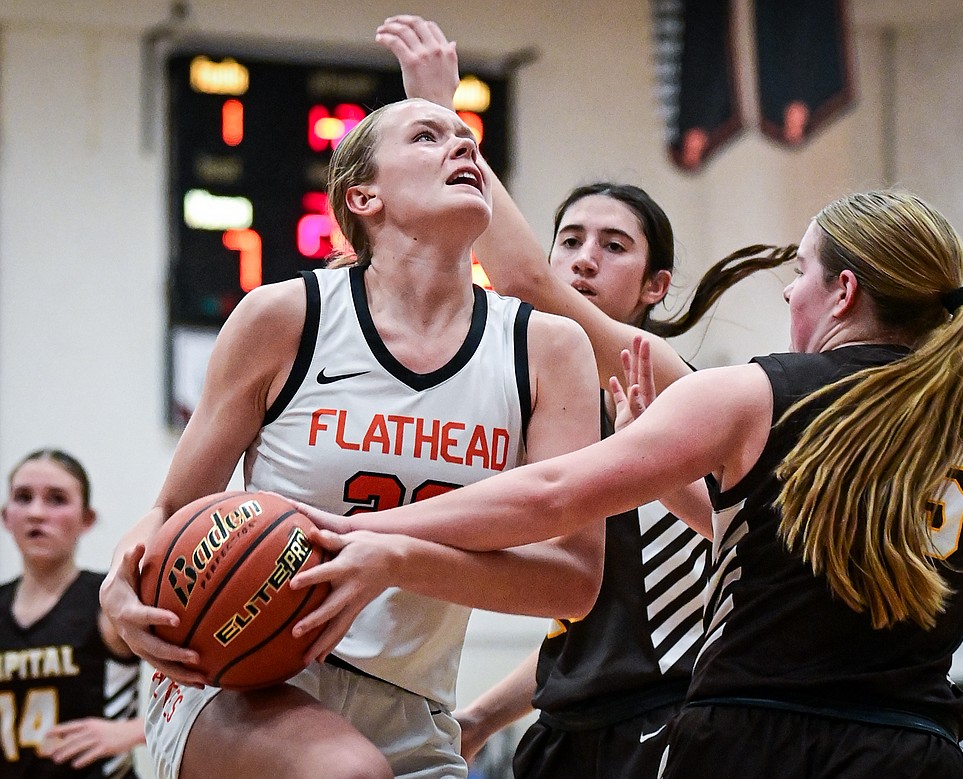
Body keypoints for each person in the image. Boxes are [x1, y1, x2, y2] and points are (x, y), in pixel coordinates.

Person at [291, 188, 963, 777]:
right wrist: (653, 467)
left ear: (844, 290)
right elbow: (763, 545)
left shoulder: (756, 392)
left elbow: (549, 495)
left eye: (801, 271)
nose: (791, 292)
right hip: (916, 748)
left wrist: (359, 528)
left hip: (760, 739)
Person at [98, 88, 606, 779]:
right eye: (428, 136)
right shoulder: (285, 317)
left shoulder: (546, 348)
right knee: (346, 772)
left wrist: (393, 557)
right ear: (363, 197)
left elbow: (573, 582)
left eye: (467, 138)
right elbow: (172, 510)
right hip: (236, 678)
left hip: (411, 702)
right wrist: (119, 581)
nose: (462, 146)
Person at [373, 16, 796, 778]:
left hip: (671, 714)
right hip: (573, 726)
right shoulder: (549, 404)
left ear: (656, 285)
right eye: (570, 238)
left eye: (613, 244)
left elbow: (523, 280)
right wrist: (478, 716)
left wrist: (447, 117)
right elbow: (584, 636)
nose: (583, 258)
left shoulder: (662, 377)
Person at [1, 449, 144, 779]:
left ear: (86, 519)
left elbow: (202, 682)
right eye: (23, 497)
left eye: (56, 499)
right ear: (6, 516)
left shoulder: (110, 598)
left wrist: (136, 731)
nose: (37, 512)